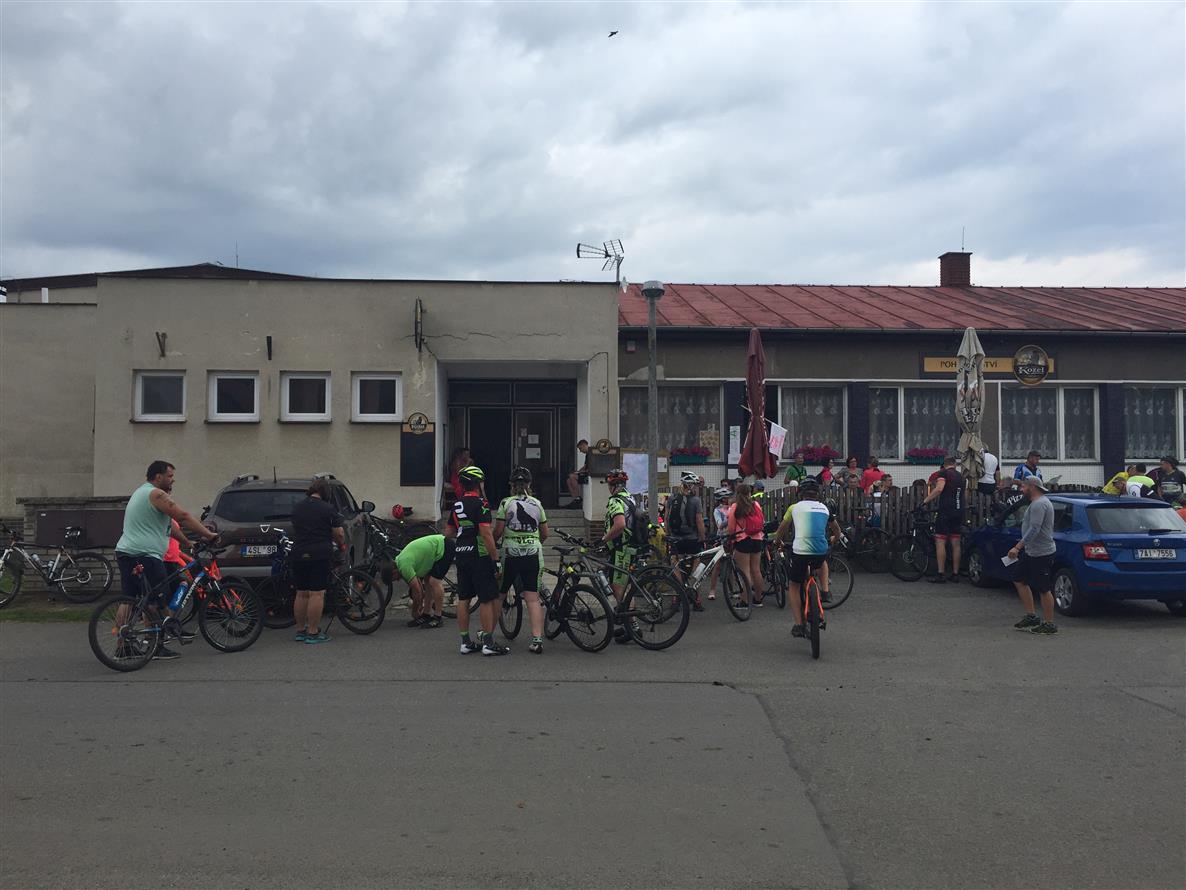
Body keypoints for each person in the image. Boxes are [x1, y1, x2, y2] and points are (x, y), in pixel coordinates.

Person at [114, 460, 218, 660]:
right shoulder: (156, 494)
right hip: (146, 554)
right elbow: (183, 516)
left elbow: (169, 527)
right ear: (158, 476)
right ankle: (155, 647)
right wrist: (208, 535)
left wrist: (187, 542)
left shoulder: (140, 493)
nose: (173, 480)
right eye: (170, 476)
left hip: (126, 552)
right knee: (155, 600)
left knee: (129, 599)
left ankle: (123, 647)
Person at [447, 465, 505, 656]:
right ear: (477, 483)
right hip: (479, 555)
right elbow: (486, 533)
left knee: (464, 598)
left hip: (461, 553)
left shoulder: (457, 504)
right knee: (487, 598)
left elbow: (449, 531)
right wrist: (495, 559)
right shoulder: (482, 504)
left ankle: (465, 642)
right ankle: (488, 643)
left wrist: (464, 530)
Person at [774, 479, 841, 639]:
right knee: (822, 561)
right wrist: (835, 538)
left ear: (800, 494)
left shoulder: (794, 508)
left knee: (794, 585)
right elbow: (836, 529)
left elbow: (782, 528)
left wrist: (777, 541)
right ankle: (825, 591)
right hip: (820, 550)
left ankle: (798, 624)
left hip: (800, 552)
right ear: (817, 494)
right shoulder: (824, 508)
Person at [495, 466, 549, 654]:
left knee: (500, 595)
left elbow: (498, 531)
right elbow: (545, 533)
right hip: (533, 553)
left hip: (510, 553)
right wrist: (533, 542)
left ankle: (487, 636)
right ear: (529, 484)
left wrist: (493, 545)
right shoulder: (537, 504)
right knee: (532, 598)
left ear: (511, 485)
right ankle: (537, 640)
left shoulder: (506, 503)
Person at [290, 478, 346, 645]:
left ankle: (300, 630)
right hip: (319, 554)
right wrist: (341, 544)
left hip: (298, 552)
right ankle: (313, 632)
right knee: (317, 593)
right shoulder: (327, 509)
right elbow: (339, 533)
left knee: (301, 592)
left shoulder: (297, 507)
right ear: (325, 492)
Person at [1007, 476, 1058, 635]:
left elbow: (1035, 528)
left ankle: (1049, 624)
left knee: (1044, 588)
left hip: (1042, 552)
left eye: (1023, 487)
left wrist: (1018, 547)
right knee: (1018, 579)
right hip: (1031, 551)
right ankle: (1031, 616)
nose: (1021, 490)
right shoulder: (1036, 503)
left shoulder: (1039, 504)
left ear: (1032, 487)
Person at [600, 467, 638, 642]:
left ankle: (633, 628)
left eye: (609, 485)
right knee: (626, 587)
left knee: (618, 587)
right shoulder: (630, 498)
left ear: (613, 486)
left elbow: (620, 524)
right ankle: (629, 625)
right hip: (630, 547)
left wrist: (604, 539)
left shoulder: (615, 501)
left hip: (620, 548)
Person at [393, 534, 455, 629]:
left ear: (393, 572)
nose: (397, 580)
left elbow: (417, 592)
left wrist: (414, 611)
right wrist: (419, 608)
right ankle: (426, 614)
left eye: (395, 578)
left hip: (444, 546)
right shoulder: (399, 560)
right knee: (427, 581)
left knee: (434, 581)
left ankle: (438, 617)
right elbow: (420, 590)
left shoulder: (404, 566)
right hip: (435, 549)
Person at [665, 471, 707, 611]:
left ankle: (677, 597)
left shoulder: (672, 498)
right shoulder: (696, 501)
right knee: (696, 569)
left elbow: (666, 518)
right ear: (691, 486)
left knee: (676, 566)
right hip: (692, 539)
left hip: (676, 539)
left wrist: (669, 535)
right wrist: (702, 538)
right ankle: (696, 599)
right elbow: (699, 521)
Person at [921, 455, 966, 584]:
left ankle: (941, 574)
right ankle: (955, 574)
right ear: (955, 464)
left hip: (946, 511)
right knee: (955, 543)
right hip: (959, 511)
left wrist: (925, 501)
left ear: (944, 464)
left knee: (940, 541)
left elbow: (939, 488)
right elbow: (964, 495)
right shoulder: (961, 477)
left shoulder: (944, 473)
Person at [726, 483, 765, 606]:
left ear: (737, 494)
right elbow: (762, 520)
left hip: (743, 540)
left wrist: (731, 539)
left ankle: (745, 600)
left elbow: (731, 527)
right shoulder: (756, 505)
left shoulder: (735, 507)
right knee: (756, 570)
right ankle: (758, 599)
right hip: (757, 539)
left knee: (745, 571)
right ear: (750, 493)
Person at [707, 486, 731, 600]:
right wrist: (730, 518)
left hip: (732, 537)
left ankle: (732, 590)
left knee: (732, 564)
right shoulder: (717, 510)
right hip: (722, 538)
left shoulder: (732, 508)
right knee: (717, 565)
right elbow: (719, 525)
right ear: (722, 499)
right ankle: (712, 590)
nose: (729, 499)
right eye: (727, 497)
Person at [565, 439, 591, 507]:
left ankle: (578, 497)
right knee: (568, 480)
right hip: (585, 473)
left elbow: (591, 468)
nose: (580, 451)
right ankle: (575, 498)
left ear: (584, 445)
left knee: (572, 477)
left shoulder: (592, 454)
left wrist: (579, 473)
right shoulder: (587, 455)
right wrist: (578, 472)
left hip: (589, 475)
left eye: (580, 448)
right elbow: (585, 466)